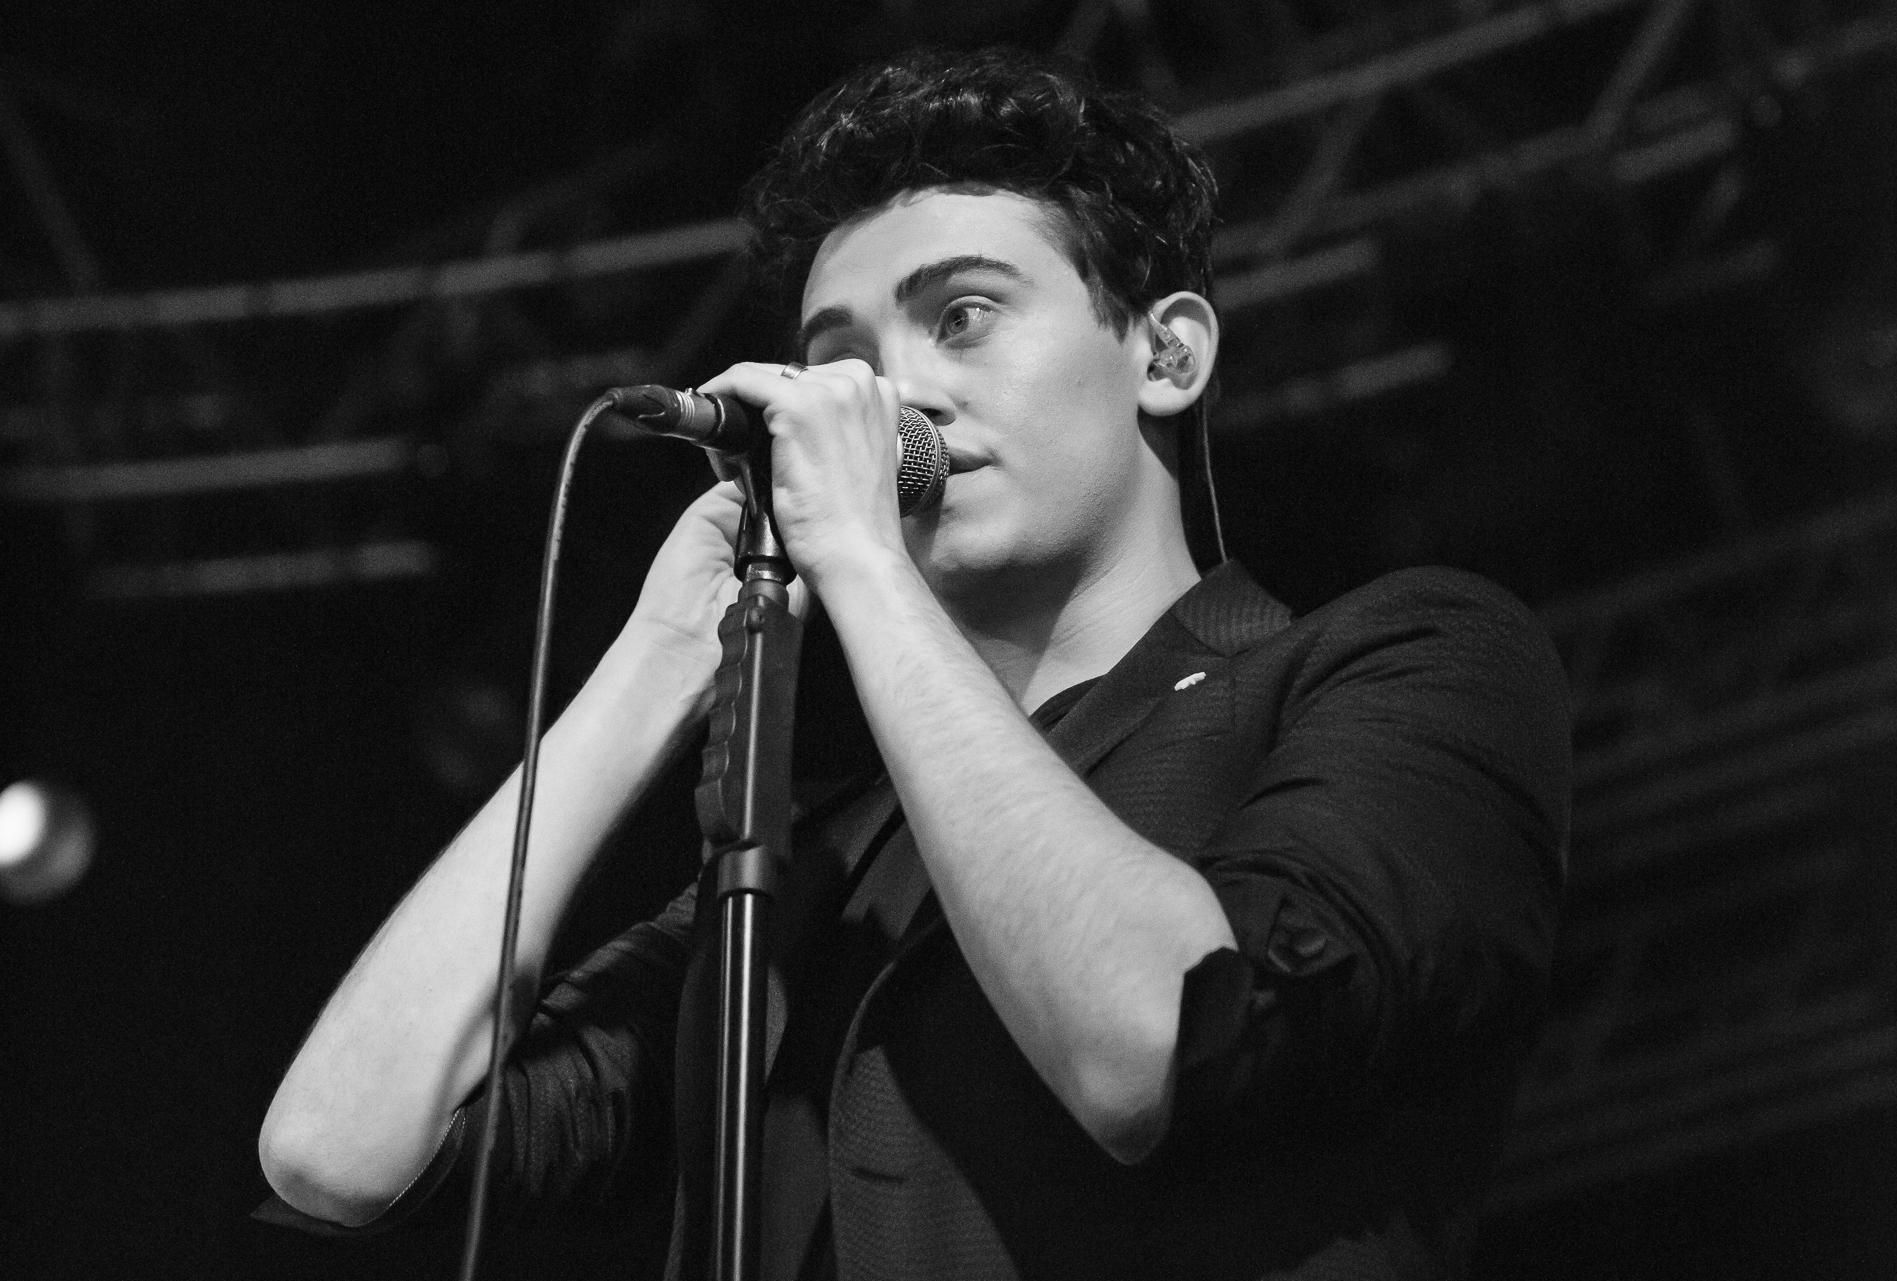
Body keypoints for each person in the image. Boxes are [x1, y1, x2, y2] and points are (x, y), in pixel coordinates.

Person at [258, 46, 1570, 1280]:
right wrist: (656, 664)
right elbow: (337, 1150)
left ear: (1167, 354)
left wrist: (864, 565)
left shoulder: (1405, 664)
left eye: (965, 315)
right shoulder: (812, 876)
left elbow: (1159, 1043)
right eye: (840, 361)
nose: (891, 400)